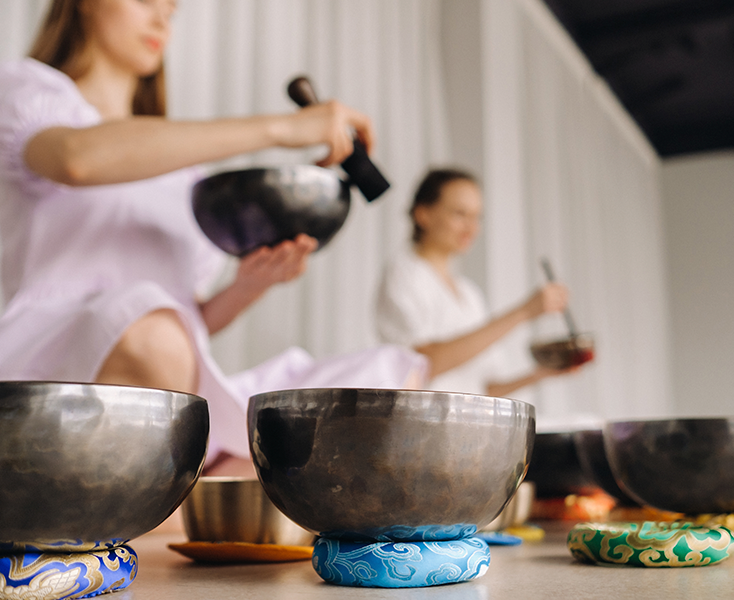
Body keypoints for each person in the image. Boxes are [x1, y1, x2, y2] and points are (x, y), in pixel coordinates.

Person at [0, 0, 426, 475]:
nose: (162, 19)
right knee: (153, 333)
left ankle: (191, 490)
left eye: (171, 8)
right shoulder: (29, 91)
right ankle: (210, 495)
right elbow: (77, 159)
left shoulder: (184, 175)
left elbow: (187, 323)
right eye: (145, 2)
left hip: (174, 397)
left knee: (388, 382)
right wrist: (282, 128)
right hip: (52, 383)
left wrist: (247, 287)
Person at [375, 167, 578, 398]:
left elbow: (483, 390)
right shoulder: (404, 274)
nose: (472, 228)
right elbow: (423, 364)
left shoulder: (469, 294)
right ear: (423, 214)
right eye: (460, 214)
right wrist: (524, 312)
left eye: (476, 217)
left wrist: (540, 374)